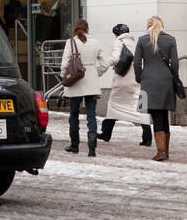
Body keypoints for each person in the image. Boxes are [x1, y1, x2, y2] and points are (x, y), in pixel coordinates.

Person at [99, 23, 153, 147]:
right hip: (138, 79)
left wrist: (103, 65)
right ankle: (147, 137)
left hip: (122, 80)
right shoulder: (136, 43)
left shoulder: (119, 42)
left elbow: (114, 59)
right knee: (141, 107)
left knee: (114, 105)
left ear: (117, 34)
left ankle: (106, 133)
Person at [133, 15, 179, 162]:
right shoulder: (170, 39)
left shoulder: (142, 40)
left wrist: (140, 77)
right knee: (164, 114)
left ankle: (160, 151)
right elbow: (175, 63)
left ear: (148, 25)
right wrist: (173, 76)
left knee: (156, 115)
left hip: (148, 80)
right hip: (166, 80)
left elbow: (136, 63)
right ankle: (166, 150)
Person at [60, 19, 109, 156]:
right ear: (87, 29)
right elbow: (105, 64)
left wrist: (64, 76)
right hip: (91, 82)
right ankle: (92, 148)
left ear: (75, 28)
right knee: (91, 114)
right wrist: (95, 73)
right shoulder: (96, 42)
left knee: (74, 113)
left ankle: (74, 145)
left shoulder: (71, 42)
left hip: (75, 81)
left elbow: (64, 64)